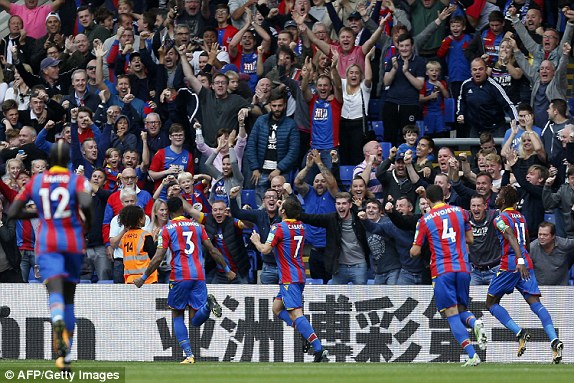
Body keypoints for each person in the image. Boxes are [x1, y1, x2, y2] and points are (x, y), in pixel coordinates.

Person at [8, 141, 92, 371]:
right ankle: (65, 355)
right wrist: (86, 224)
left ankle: (55, 320)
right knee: (70, 299)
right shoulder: (77, 180)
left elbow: (13, 211)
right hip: (72, 242)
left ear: (50, 161)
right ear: (67, 160)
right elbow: (87, 203)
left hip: (47, 242)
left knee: (54, 293)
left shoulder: (37, 181)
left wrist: (41, 211)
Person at [133, 197, 235, 364]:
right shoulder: (198, 227)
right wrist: (227, 270)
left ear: (170, 211)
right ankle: (208, 305)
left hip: (180, 276)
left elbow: (158, 257)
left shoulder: (167, 229)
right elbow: (212, 250)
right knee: (195, 320)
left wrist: (143, 278)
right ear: (182, 209)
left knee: (177, 314)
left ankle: (189, 355)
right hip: (199, 276)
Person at [410, 185, 486, 367]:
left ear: (427, 199)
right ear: (444, 196)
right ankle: (474, 322)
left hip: (442, 270)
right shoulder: (461, 212)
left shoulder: (425, 220)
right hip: (463, 268)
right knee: (461, 309)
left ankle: (472, 354)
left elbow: (415, 251)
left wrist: (417, 242)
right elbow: (470, 239)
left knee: (451, 314)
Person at [486, 185, 563, 364]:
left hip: (512, 264)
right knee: (535, 303)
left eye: (499, 195)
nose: (496, 197)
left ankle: (519, 333)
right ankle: (554, 340)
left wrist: (519, 260)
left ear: (504, 200)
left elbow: (511, 237)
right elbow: (527, 241)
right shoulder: (521, 217)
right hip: (525, 262)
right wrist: (525, 260)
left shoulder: (500, 219)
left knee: (491, 302)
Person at [250, 197, 329, 363]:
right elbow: (287, 226)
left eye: (282, 204)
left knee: (295, 313)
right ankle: (304, 334)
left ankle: (318, 348)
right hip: (299, 274)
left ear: (283, 211)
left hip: (288, 277)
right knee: (277, 308)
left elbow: (265, 250)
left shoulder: (278, 227)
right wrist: (285, 209)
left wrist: (256, 242)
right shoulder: (300, 226)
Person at [118, 205, 157, 284]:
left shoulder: (124, 236)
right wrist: (156, 241)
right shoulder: (145, 236)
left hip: (130, 279)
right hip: (147, 279)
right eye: (144, 216)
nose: (145, 218)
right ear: (140, 220)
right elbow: (154, 256)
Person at [529, 221, 574, 286]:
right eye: (540, 234)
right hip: (540, 288)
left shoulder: (563, 244)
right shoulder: (532, 248)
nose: (541, 237)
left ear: (553, 236)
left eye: (545, 235)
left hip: (562, 288)